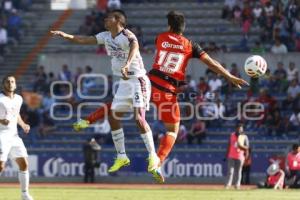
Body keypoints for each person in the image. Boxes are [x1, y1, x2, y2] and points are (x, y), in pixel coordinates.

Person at [72, 10, 248, 183]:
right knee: (172, 130)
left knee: (118, 105)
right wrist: (229, 76)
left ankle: (88, 120)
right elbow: (212, 63)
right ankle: (157, 162)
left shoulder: (161, 37)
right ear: (183, 28)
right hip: (169, 91)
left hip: (150, 82)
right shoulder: (190, 45)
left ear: (169, 26)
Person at [50, 10, 161, 179]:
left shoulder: (128, 35)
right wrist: (67, 36)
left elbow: (135, 46)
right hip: (124, 82)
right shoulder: (106, 36)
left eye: (108, 18)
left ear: (118, 20)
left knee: (139, 118)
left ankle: (153, 156)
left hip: (138, 80)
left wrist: (127, 64)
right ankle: (122, 156)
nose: (105, 20)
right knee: (113, 116)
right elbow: (84, 39)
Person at [0, 75, 34, 200]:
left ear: (15, 84)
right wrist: (1, 121)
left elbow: (16, 114)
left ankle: (24, 194)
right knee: (1, 166)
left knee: (24, 164)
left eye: (12, 81)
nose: (10, 83)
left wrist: (23, 124)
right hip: (1, 135)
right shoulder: (0, 99)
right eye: (7, 81)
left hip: (14, 136)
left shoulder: (18, 99)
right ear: (3, 84)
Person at [225, 123, 249, 189]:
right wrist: (226, 155)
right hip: (231, 156)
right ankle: (228, 184)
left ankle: (237, 185)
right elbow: (229, 145)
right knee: (230, 171)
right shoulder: (232, 135)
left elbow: (247, 147)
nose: (239, 130)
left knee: (238, 172)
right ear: (236, 129)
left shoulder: (244, 137)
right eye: (238, 128)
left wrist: (246, 154)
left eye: (241, 129)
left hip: (240, 156)